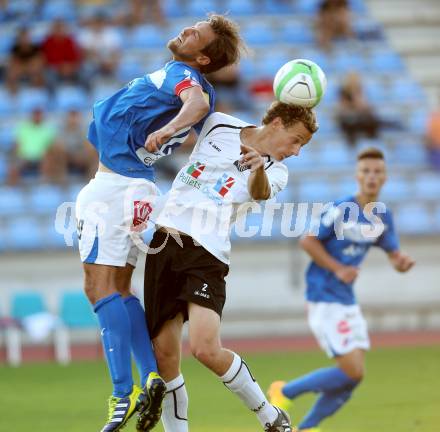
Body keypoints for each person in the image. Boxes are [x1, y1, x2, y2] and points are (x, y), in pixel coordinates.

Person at [75, 14, 243, 432]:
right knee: (117, 288)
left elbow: (198, 105)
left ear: (202, 57)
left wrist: (169, 127)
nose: (187, 30)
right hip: (136, 186)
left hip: (116, 187)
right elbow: (202, 107)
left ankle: (122, 391)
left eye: (196, 34)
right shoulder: (186, 77)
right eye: (194, 25)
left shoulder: (182, 75)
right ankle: (150, 375)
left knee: (98, 288)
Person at [143, 102, 319, 432]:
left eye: (302, 145)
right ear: (277, 123)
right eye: (296, 140)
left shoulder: (276, 171)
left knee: (205, 349)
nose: (296, 151)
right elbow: (189, 107)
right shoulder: (220, 123)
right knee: (164, 357)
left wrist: (257, 168)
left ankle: (270, 416)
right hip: (164, 244)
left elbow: (261, 191)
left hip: (206, 253)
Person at [268, 147, 415, 432]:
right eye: (366, 171)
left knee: (354, 376)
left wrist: (402, 262)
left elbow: (393, 253)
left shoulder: (382, 216)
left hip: (346, 299)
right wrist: (338, 268)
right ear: (357, 176)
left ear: (385, 178)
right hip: (323, 295)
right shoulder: (341, 209)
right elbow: (308, 241)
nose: (371, 177)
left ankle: (307, 427)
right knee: (352, 370)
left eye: (377, 172)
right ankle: (284, 392)